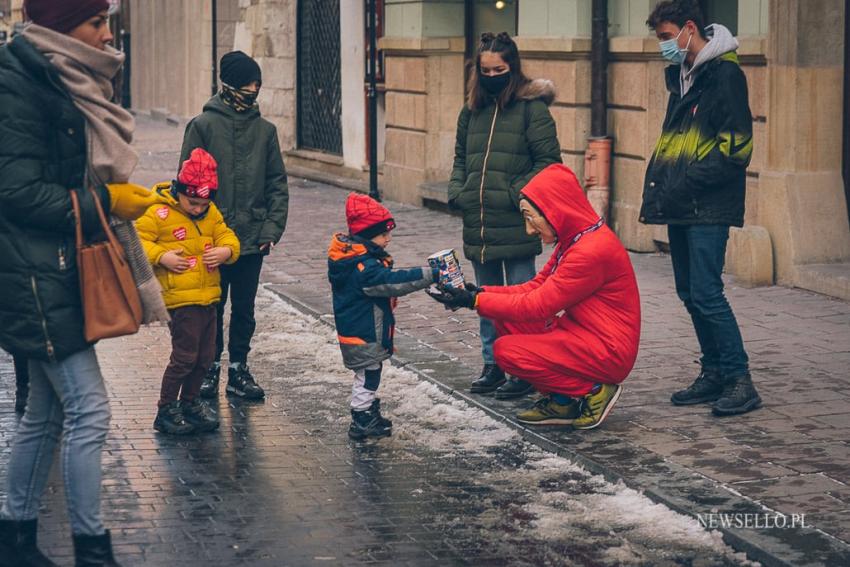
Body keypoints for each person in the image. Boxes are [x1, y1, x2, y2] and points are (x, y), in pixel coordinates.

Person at [0, 1, 162, 564]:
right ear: (63, 25)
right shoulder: (20, 83)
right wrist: (105, 201)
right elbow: (16, 194)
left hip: (58, 270)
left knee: (45, 412)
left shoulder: (61, 74)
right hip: (33, 278)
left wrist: (110, 199)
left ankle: (16, 539)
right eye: (96, 22)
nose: (107, 33)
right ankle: (93, 551)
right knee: (89, 411)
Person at [429, 164, 641, 430]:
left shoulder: (590, 251)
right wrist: (479, 293)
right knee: (504, 318)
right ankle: (562, 401)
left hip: (607, 352)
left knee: (506, 352)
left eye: (530, 217)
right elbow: (536, 286)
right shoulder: (577, 238)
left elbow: (539, 305)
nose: (529, 230)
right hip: (586, 336)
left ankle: (594, 389)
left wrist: (474, 302)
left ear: (554, 210)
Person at [643, 0, 761, 416]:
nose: (663, 46)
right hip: (681, 203)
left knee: (708, 293)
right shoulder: (683, 77)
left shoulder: (724, 75)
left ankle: (739, 379)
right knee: (690, 292)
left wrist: (685, 180)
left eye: (664, 36)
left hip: (707, 204)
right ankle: (714, 373)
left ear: (688, 28)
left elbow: (737, 148)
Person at [448, 31, 562, 400]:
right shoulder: (472, 111)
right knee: (485, 298)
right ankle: (493, 364)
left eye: (499, 69)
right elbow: (461, 159)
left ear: (512, 68)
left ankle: (523, 367)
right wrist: (458, 193)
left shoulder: (533, 110)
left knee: (520, 300)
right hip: (478, 221)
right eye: (485, 69)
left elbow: (549, 165)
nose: (492, 75)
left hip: (515, 220)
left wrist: (514, 195)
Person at [180, 50, 289, 402]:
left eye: (256, 84)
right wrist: (195, 231)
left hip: (252, 238)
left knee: (245, 308)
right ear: (228, 85)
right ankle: (209, 367)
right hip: (211, 239)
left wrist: (271, 230)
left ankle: (239, 368)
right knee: (212, 306)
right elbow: (186, 183)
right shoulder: (202, 127)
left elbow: (277, 185)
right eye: (246, 84)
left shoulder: (265, 131)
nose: (252, 90)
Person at [137, 148, 241, 435]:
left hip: (209, 296)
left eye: (203, 203)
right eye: (192, 202)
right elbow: (136, 242)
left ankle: (190, 403)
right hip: (180, 299)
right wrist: (162, 256)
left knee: (205, 357)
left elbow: (227, 235)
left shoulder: (211, 212)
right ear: (179, 190)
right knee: (185, 357)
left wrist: (226, 250)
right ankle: (167, 409)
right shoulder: (157, 212)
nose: (198, 209)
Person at [329, 193, 438, 440]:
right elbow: (392, 282)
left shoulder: (355, 259)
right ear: (367, 236)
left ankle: (367, 410)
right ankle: (361, 417)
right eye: (383, 234)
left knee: (369, 372)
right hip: (363, 334)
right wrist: (430, 274)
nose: (388, 239)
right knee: (368, 375)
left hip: (361, 331)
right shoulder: (363, 268)